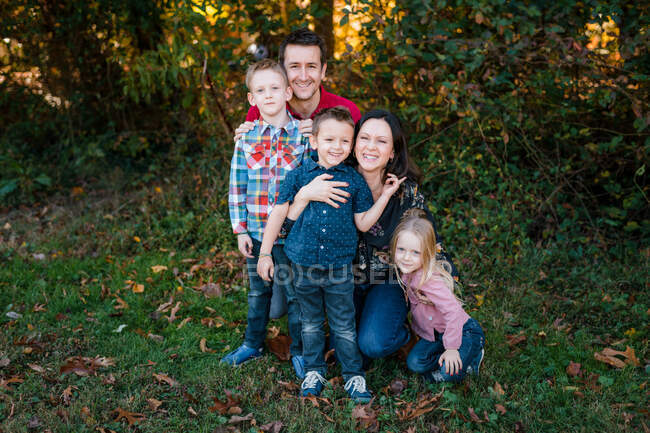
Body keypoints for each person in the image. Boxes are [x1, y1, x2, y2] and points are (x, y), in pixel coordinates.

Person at [286, 109, 459, 364]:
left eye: (381, 141)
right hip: (342, 280)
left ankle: (401, 332)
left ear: (392, 152)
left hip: (387, 281)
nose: (370, 147)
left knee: (373, 344)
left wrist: (446, 286)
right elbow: (287, 226)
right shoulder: (329, 180)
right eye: (364, 138)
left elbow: (431, 244)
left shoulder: (404, 194)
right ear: (354, 144)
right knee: (344, 347)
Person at [256, 107, 405, 403]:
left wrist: (386, 196)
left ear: (350, 146)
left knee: (343, 324)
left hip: (339, 269)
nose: (337, 147)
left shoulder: (355, 181)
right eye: (329, 140)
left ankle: (354, 375)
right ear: (314, 141)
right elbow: (279, 213)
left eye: (344, 142)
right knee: (309, 321)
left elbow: (363, 223)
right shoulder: (298, 177)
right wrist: (264, 253)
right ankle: (314, 370)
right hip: (303, 265)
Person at [236, 28, 362, 320]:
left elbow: (360, 172)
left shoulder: (345, 112)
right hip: (286, 229)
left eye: (311, 66)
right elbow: (251, 176)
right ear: (283, 71)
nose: (303, 75)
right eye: (294, 66)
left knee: (339, 309)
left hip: (335, 227)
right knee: (276, 309)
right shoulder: (265, 109)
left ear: (324, 70)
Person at [223, 59, 306, 379]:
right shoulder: (246, 138)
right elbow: (236, 184)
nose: (268, 95)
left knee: (298, 294)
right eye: (260, 90)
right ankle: (252, 344)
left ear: (287, 92)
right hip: (257, 232)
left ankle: (299, 350)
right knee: (259, 292)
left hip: (294, 233)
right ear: (251, 99)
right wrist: (240, 229)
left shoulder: (303, 136)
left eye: (274, 88)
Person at [391, 210, 485, 382]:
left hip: (465, 332)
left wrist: (451, 348)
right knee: (414, 363)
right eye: (401, 249)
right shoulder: (406, 273)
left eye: (415, 252)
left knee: (449, 374)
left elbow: (454, 312)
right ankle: (449, 361)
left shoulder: (428, 280)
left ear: (427, 254)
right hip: (437, 336)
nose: (406, 257)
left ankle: (473, 353)